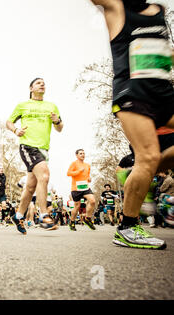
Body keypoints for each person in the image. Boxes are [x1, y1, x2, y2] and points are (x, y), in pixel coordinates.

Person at [91, 0, 173, 249]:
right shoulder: (117, 8)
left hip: (163, 93)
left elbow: (164, 54)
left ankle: (141, 175)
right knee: (147, 157)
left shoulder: (160, 11)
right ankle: (127, 227)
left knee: (151, 161)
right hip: (132, 94)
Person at [6, 78, 63, 234]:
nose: (42, 84)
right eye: (38, 83)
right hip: (28, 146)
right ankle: (44, 215)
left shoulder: (51, 106)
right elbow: (9, 122)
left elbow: (59, 128)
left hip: (44, 149)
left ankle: (18, 216)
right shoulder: (23, 105)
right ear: (31, 88)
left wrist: (57, 120)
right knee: (44, 176)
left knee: (31, 186)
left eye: (44, 82)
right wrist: (16, 130)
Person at [67, 149, 96, 231]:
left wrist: (89, 178)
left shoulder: (87, 165)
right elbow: (68, 173)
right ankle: (72, 222)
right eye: (80, 153)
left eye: (83, 153)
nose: (82, 155)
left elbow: (87, 176)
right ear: (76, 155)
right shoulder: (74, 164)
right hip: (76, 188)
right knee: (77, 206)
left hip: (85, 187)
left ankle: (88, 218)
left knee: (92, 201)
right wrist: (78, 171)